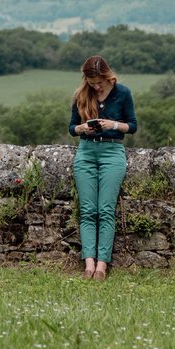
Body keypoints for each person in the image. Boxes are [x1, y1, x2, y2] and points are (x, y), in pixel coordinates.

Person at [68, 55, 137, 280]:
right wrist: (81, 129)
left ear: (108, 76)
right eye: (91, 82)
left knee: (106, 210)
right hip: (86, 152)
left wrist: (113, 125)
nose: (96, 86)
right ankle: (88, 265)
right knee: (88, 211)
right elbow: (71, 128)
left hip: (112, 153)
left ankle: (102, 266)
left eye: (99, 82)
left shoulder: (123, 93)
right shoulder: (81, 94)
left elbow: (132, 126)